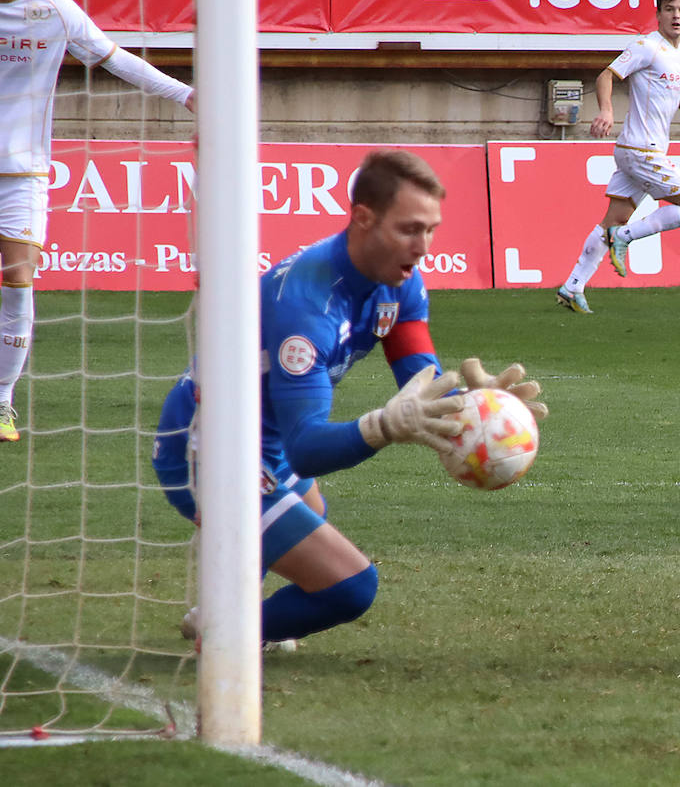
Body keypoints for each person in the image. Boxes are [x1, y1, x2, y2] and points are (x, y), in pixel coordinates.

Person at [153, 149, 548, 648]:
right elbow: (308, 447)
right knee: (351, 587)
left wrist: (474, 403)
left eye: (431, 229)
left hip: (260, 439)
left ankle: (221, 608)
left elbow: (418, 377)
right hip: (207, 447)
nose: (423, 246)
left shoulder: (399, 280)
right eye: (409, 229)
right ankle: (227, 633)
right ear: (363, 218)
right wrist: (382, 427)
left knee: (309, 507)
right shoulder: (307, 307)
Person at [0, 0, 194, 443]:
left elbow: (117, 59)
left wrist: (185, 94)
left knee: (18, 279)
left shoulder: (55, 12)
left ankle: (1, 401)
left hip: (23, 173)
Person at [555, 0, 680, 314]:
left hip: (639, 151)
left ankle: (573, 286)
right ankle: (625, 237)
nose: (676, 16)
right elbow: (606, 76)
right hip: (642, 150)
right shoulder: (646, 47)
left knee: (611, 220)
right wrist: (607, 110)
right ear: (658, 15)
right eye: (669, 10)